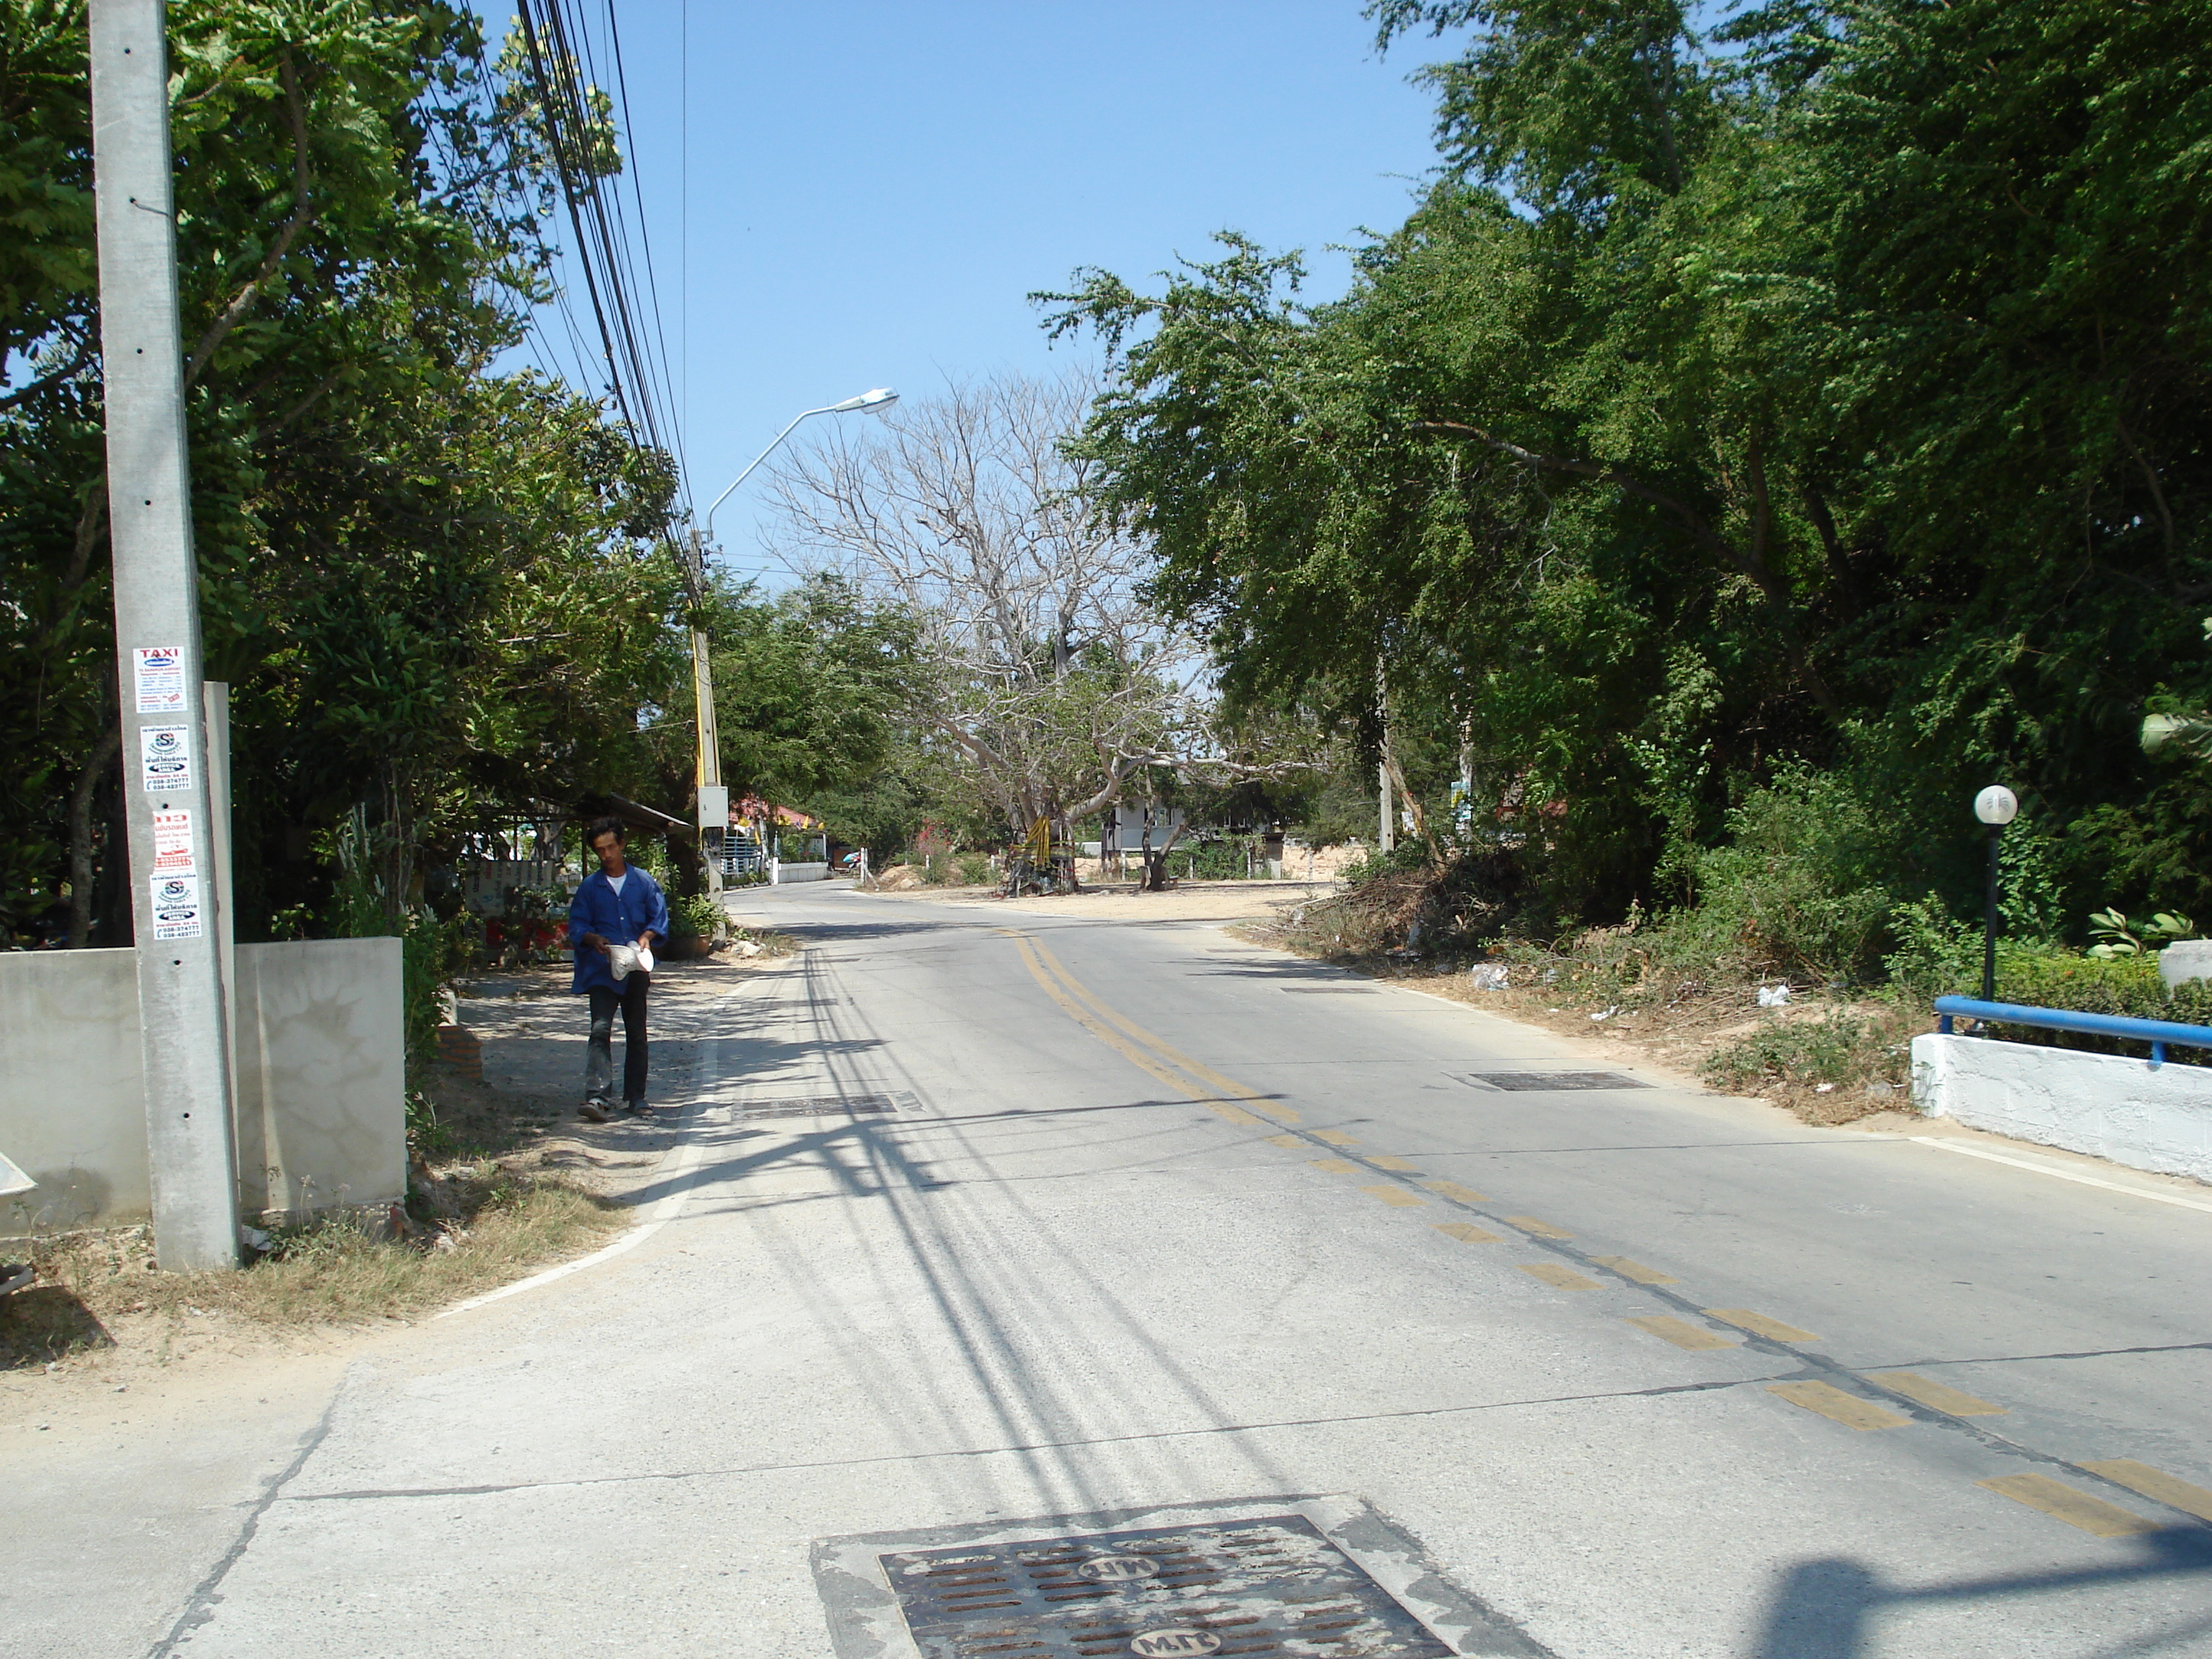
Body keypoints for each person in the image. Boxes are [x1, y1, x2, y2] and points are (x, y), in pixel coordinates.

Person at [567, 817, 670, 1122]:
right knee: (600, 1030)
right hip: (601, 970)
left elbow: (659, 918)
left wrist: (646, 938)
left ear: (622, 844)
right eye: (601, 850)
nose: (607, 855)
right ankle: (598, 1097)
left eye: (611, 847)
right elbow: (577, 925)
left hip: (636, 967)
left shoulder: (643, 882)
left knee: (636, 1032)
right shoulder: (590, 887)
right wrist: (594, 939)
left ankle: (636, 1097)